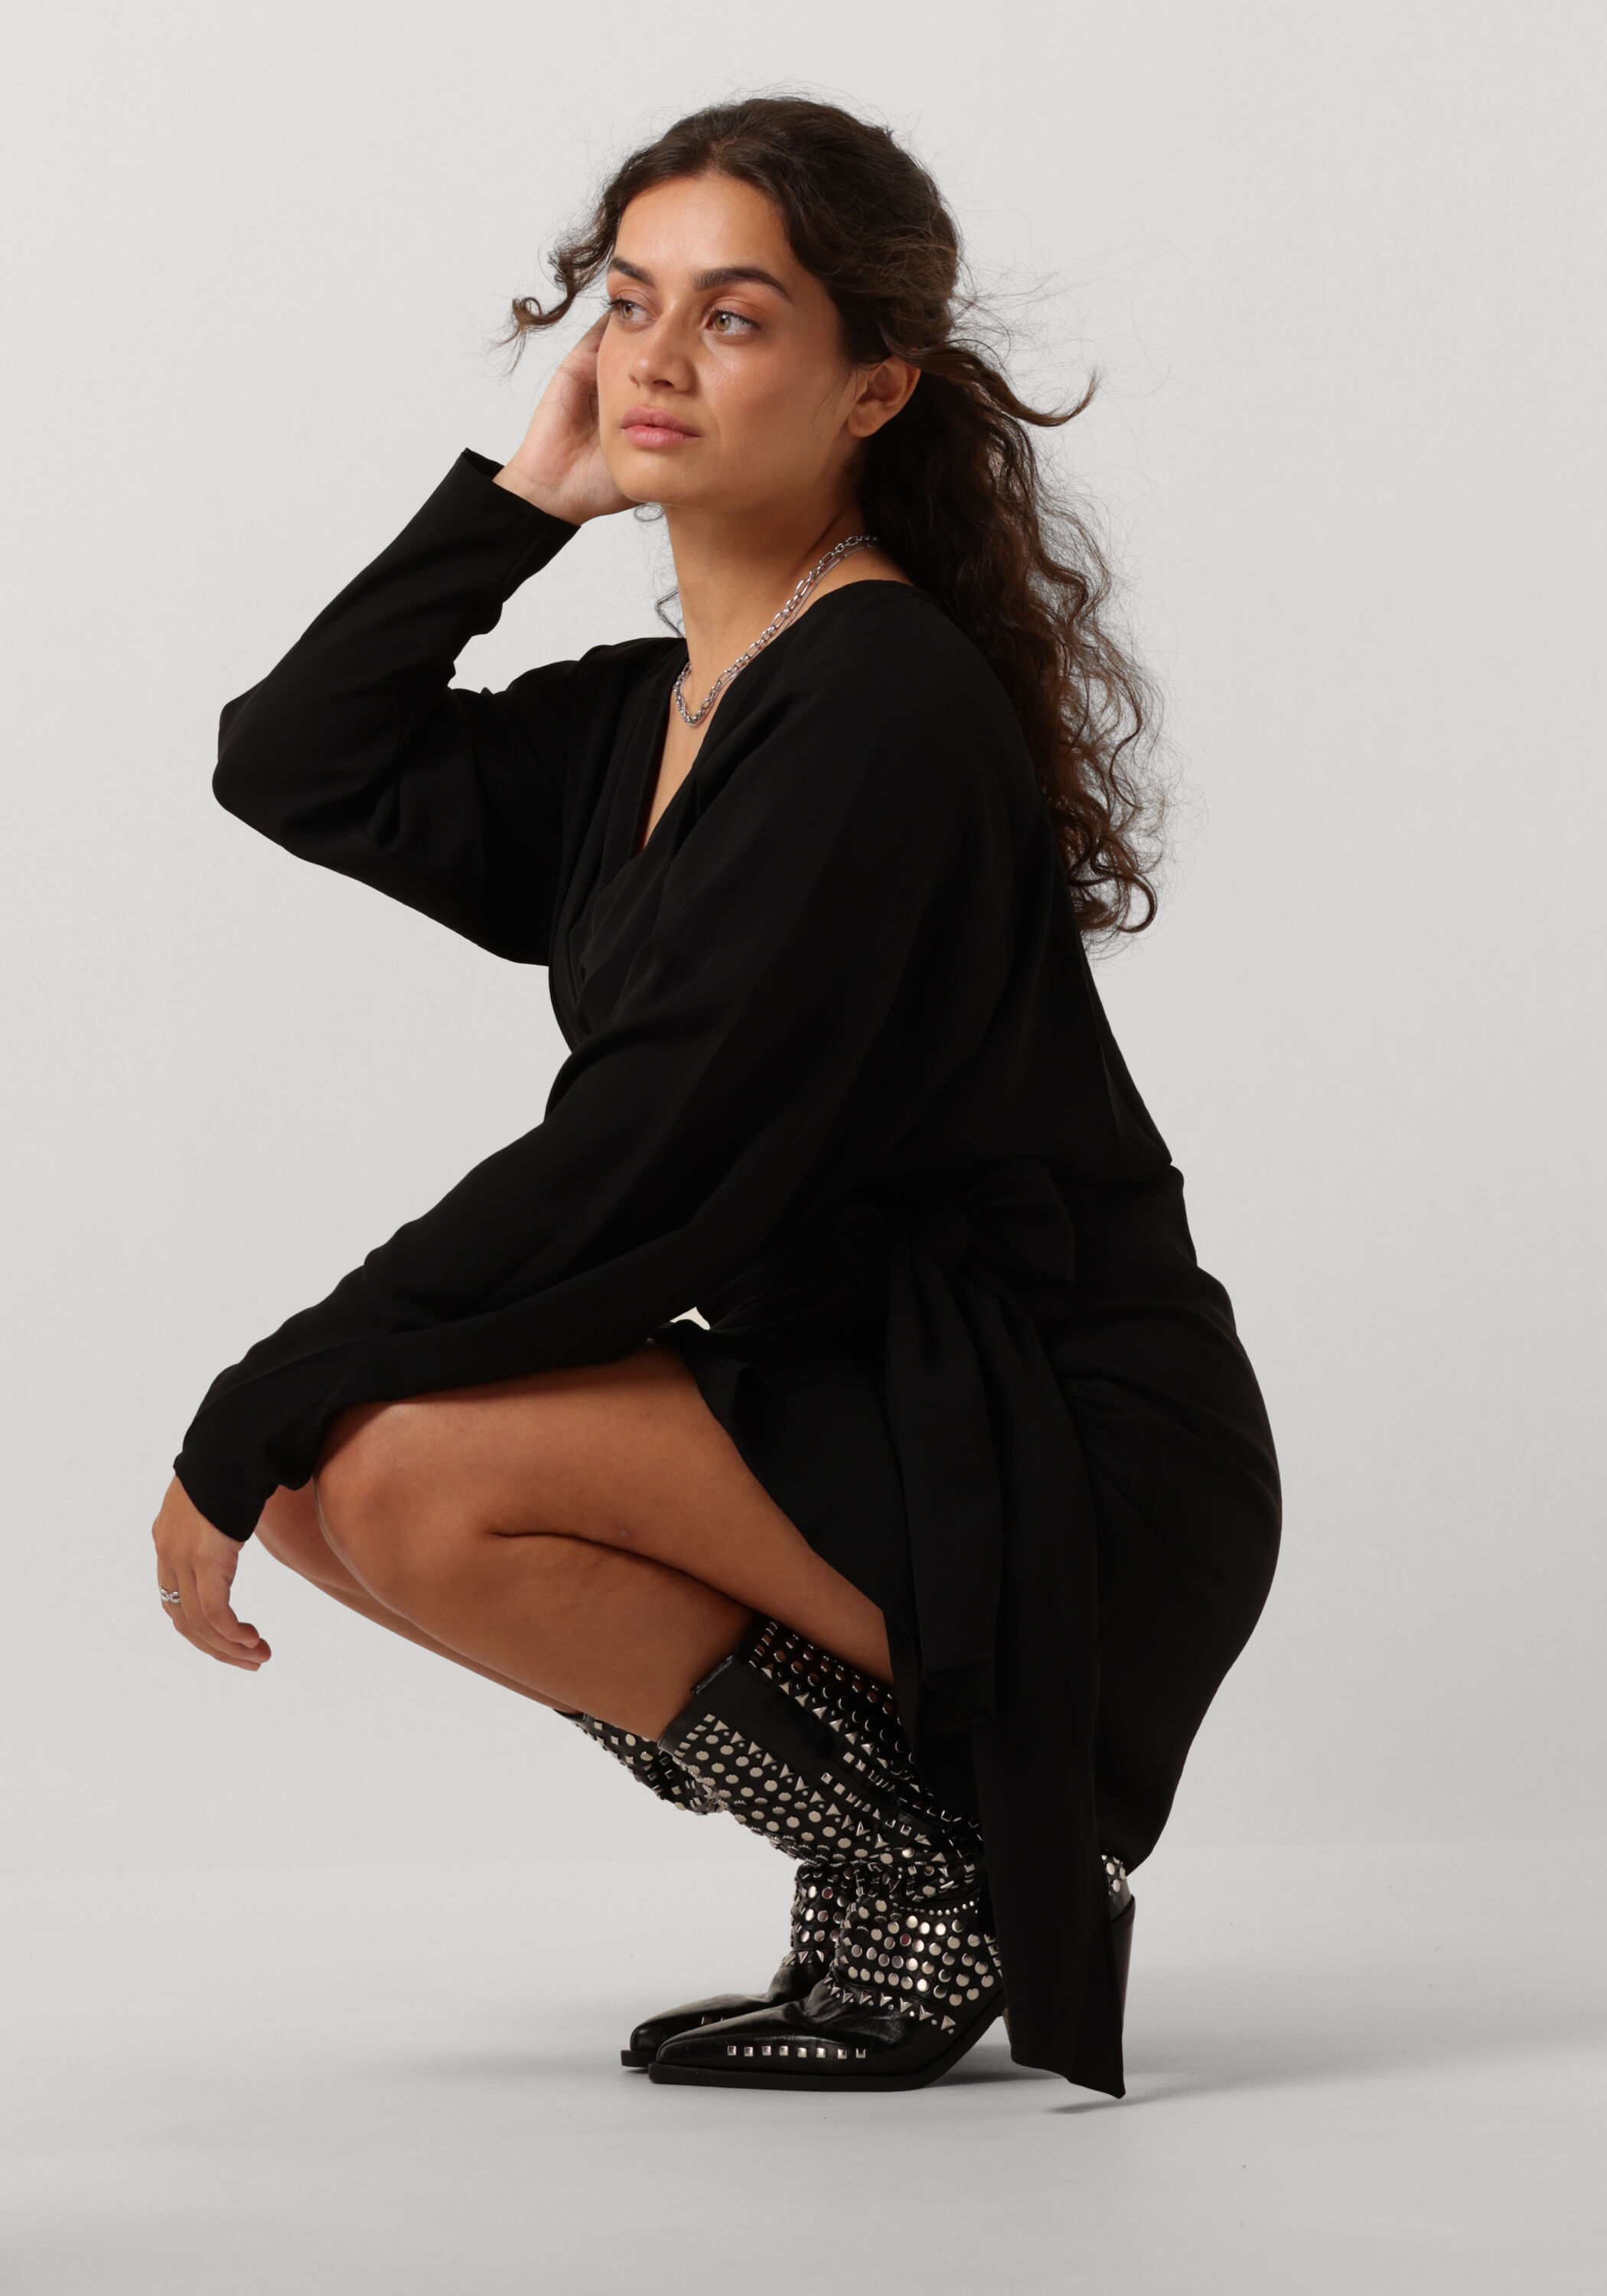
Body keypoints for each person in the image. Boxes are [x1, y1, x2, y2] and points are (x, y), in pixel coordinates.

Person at [151, 94, 1280, 2097]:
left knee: (378, 1468)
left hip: (1050, 1441)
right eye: (627, 301)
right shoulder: (652, 714)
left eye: (735, 316)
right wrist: (518, 508)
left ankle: (946, 1883)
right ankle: (918, 1860)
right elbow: (297, 761)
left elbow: (645, 1156)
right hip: (859, 1398)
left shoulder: (879, 709)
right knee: (331, 1485)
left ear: (874, 389)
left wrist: (250, 1395)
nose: (655, 357)